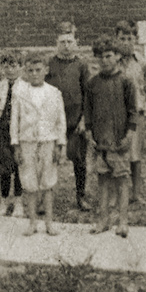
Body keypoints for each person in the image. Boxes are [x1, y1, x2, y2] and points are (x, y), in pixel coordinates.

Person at [82, 37, 138, 236]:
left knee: (122, 182)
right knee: (103, 181)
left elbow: (133, 111)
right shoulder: (92, 83)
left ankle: (123, 221)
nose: (104, 60)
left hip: (119, 141)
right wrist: (89, 133)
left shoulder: (126, 81)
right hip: (100, 142)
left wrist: (129, 135)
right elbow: (88, 111)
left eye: (108, 56)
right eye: (100, 57)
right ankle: (103, 220)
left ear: (118, 56)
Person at [10, 51, 67, 237]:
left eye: (38, 70)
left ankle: (49, 223)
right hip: (27, 142)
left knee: (48, 183)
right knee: (30, 183)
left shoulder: (54, 93)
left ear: (45, 70)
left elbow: (60, 121)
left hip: (48, 142)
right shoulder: (20, 93)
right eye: (30, 70)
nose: (34, 74)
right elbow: (14, 121)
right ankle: (33, 222)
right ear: (25, 72)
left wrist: (60, 145)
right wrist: (16, 145)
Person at [46, 21, 91, 211]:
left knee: (79, 159)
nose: (66, 45)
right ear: (57, 42)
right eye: (62, 41)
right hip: (53, 121)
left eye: (69, 41)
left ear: (76, 42)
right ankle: (45, 198)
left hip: (75, 120)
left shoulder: (81, 65)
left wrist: (83, 120)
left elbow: (88, 95)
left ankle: (81, 196)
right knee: (48, 160)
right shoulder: (49, 64)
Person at [116, 20, 146, 204]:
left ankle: (137, 193)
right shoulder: (111, 61)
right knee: (115, 153)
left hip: (135, 114)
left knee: (135, 154)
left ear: (136, 39)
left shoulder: (143, 62)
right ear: (116, 39)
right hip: (115, 115)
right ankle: (117, 195)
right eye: (122, 38)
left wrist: (139, 108)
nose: (126, 42)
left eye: (129, 38)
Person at [0, 53, 25, 217]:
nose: (10, 70)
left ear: (21, 67)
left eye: (14, 65)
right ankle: (3, 200)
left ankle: (18, 202)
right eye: (6, 66)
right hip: (2, 130)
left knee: (19, 167)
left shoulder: (25, 86)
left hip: (20, 131)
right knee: (4, 168)